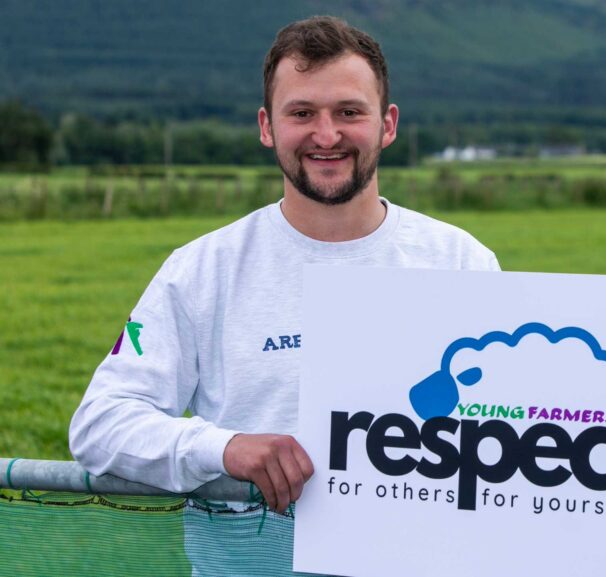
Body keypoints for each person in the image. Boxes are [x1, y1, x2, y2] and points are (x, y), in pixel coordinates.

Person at [69, 16, 499, 516]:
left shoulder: (461, 261)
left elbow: (511, 427)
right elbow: (100, 423)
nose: (326, 134)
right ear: (267, 127)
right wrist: (225, 449)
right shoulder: (201, 270)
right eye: (301, 112)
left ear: (388, 124)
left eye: (349, 111)